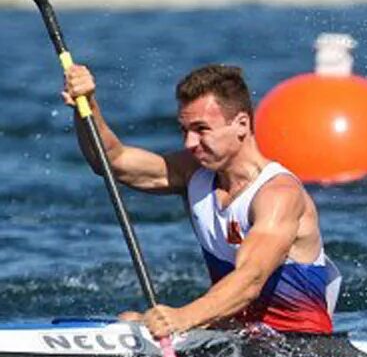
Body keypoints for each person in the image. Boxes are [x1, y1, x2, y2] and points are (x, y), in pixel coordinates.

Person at [63, 63, 341, 341]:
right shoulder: (194, 172)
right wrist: (86, 104)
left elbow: (251, 280)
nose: (189, 143)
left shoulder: (277, 194)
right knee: (128, 321)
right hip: (234, 336)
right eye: (184, 130)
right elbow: (111, 161)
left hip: (298, 349)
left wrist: (181, 318)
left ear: (242, 125)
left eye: (201, 129)